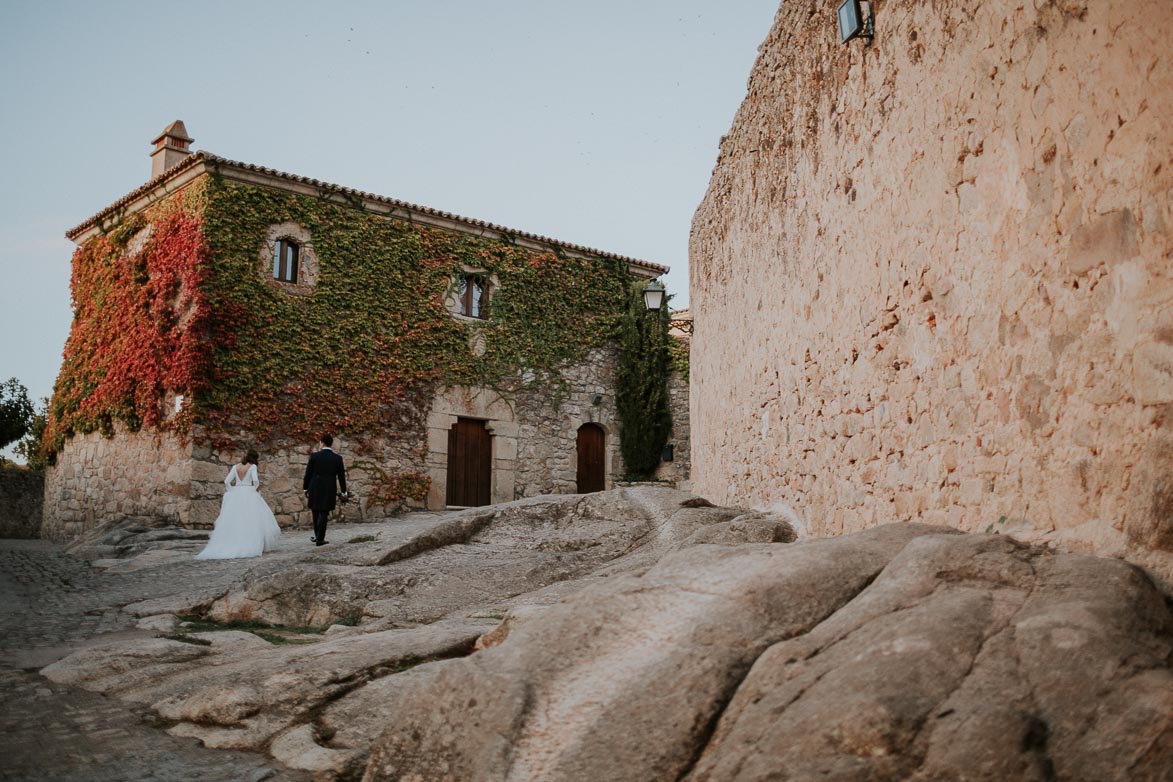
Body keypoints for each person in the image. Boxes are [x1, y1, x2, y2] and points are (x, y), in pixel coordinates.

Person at [196, 449, 282, 559]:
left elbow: (227, 481)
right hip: (249, 492)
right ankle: (252, 543)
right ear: (255, 458)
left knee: (235, 520)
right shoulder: (253, 467)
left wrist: (231, 491)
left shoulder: (236, 467)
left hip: (236, 493)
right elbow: (256, 481)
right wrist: (253, 490)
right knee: (252, 520)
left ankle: (232, 542)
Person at [304, 434, 347, 546]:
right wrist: (344, 491)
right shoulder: (337, 458)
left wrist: (305, 488)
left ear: (322, 443)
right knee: (324, 512)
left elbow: (308, 473)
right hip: (329, 487)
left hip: (315, 486)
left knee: (315, 511)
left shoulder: (314, 456)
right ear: (331, 443)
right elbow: (341, 476)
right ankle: (319, 537)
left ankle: (318, 536)